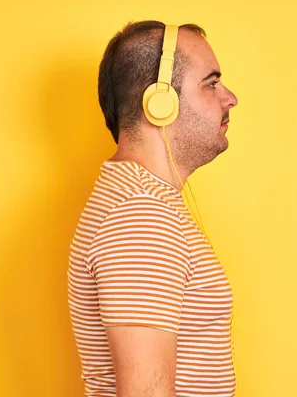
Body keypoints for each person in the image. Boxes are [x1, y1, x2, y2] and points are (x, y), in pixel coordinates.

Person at [67, 20, 239, 397]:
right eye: (211, 83)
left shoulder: (143, 201)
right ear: (160, 102)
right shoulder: (140, 216)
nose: (230, 98)